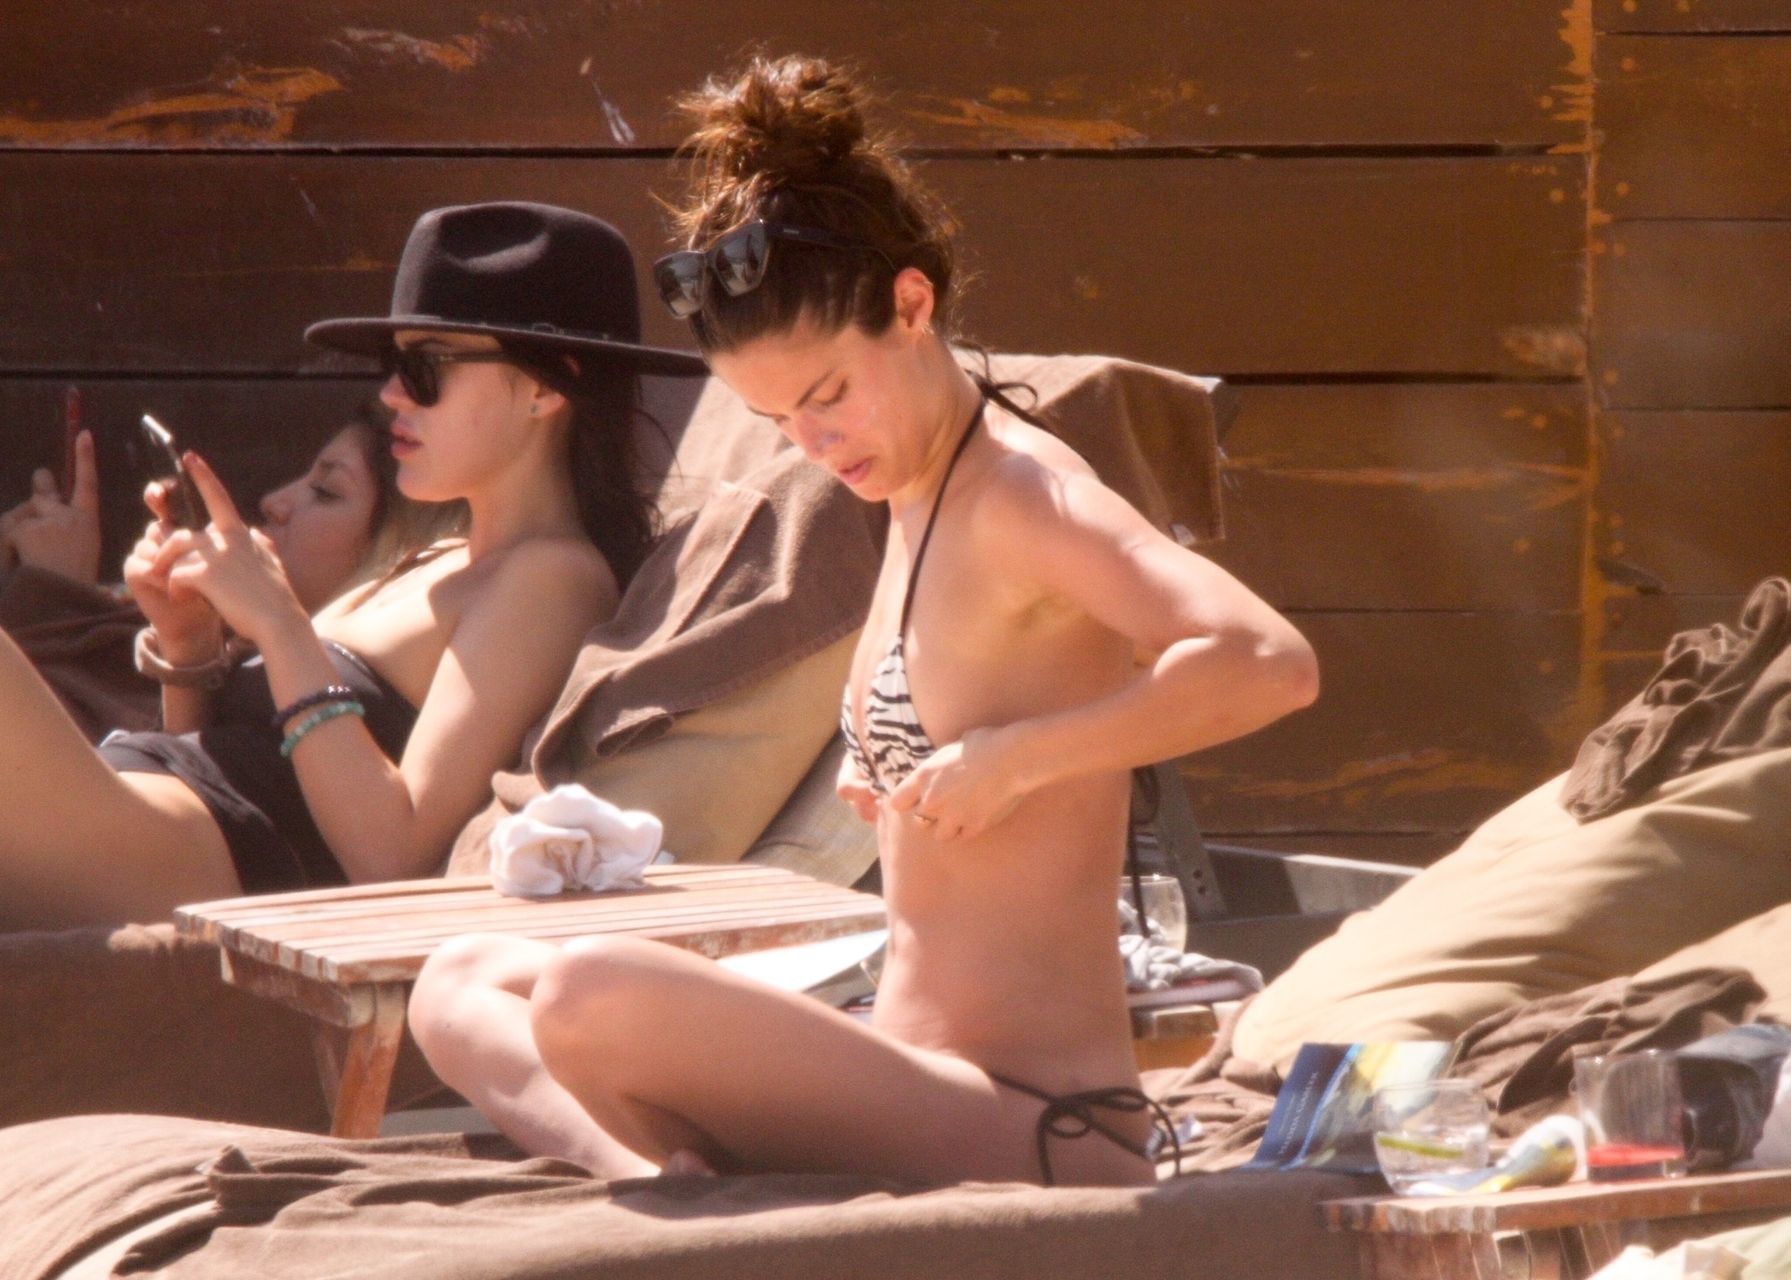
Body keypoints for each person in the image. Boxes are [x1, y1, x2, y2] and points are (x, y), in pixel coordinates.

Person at [407, 58, 1317, 1190]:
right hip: (901, 1070)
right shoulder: (907, 497)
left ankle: (677, 1185)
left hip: (1037, 1122)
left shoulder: (1022, 493)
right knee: (457, 982)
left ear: (912, 306)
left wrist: (1017, 759)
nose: (816, 444)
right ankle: (661, 1182)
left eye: (829, 395)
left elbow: (1269, 661)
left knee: (589, 989)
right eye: (777, 419)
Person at [0, 200, 704, 931]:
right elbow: (226, 751)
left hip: (181, 853)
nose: (392, 393)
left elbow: (391, 854)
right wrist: (190, 645)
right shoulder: (436, 560)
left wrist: (279, 623)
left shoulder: (553, 576)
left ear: (545, 387)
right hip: (146, 819)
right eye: (393, 364)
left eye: (426, 366)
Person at [0, 402, 470, 738]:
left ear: (402, 546)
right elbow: (179, 769)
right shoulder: (230, 646)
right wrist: (185, 642)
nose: (273, 502)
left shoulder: (342, 705)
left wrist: (55, 596)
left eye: (326, 491)